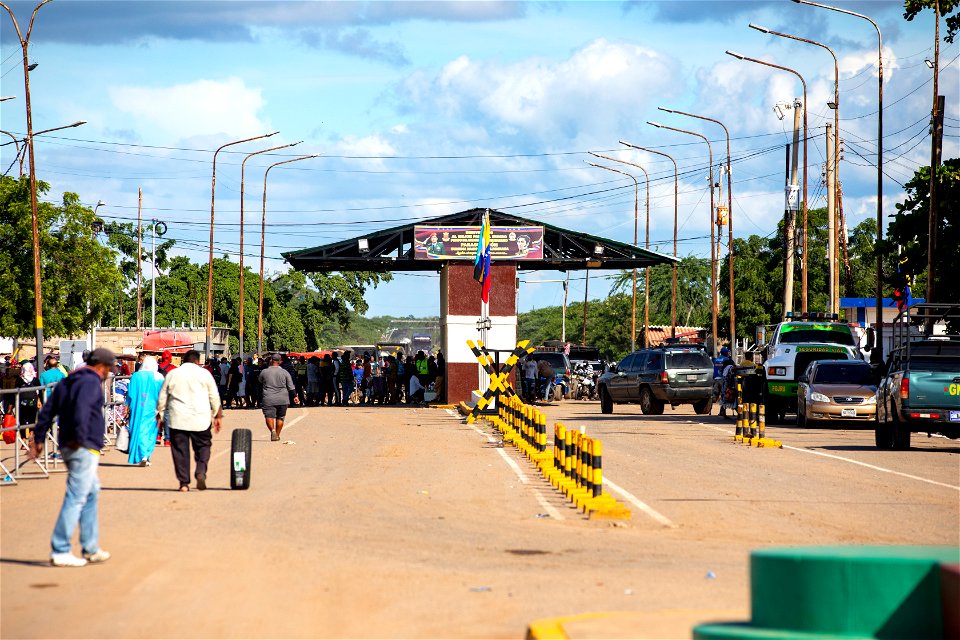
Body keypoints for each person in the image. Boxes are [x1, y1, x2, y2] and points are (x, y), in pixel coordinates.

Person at [30, 348, 116, 567]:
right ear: (102, 367)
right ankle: (60, 549)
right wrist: (80, 438)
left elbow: (48, 409)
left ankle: (90, 547)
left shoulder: (69, 380)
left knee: (91, 491)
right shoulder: (89, 383)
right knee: (76, 496)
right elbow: (82, 410)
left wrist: (39, 438)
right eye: (109, 369)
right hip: (82, 445)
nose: (108, 373)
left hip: (71, 443)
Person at [156, 350, 222, 492]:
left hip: (177, 419)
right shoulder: (205, 374)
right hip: (201, 418)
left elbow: (162, 398)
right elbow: (214, 396)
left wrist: (160, 416)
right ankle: (200, 471)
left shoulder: (173, 374)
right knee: (203, 447)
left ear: (183, 360)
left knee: (180, 451)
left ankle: (184, 484)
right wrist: (217, 415)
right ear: (197, 361)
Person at [125, 356, 164, 466]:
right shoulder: (158, 377)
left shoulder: (136, 376)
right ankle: (145, 455)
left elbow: (130, 394)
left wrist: (126, 407)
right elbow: (163, 394)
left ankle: (142, 456)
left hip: (137, 409)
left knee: (138, 431)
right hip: (153, 410)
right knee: (151, 432)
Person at [259, 354, 297, 441]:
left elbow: (260, 381)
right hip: (283, 398)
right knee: (280, 417)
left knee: (269, 416)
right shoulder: (285, 372)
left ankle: (272, 431)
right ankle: (277, 434)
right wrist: (295, 396)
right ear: (280, 362)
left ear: (271, 360)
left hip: (268, 398)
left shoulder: (264, 372)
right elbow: (291, 386)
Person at [15, 362, 42, 441]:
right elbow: (40, 391)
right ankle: (31, 435)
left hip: (21, 402)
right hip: (33, 402)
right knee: (32, 419)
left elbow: (15, 391)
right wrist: (40, 401)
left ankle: (23, 439)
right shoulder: (35, 379)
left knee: (22, 420)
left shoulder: (19, 379)